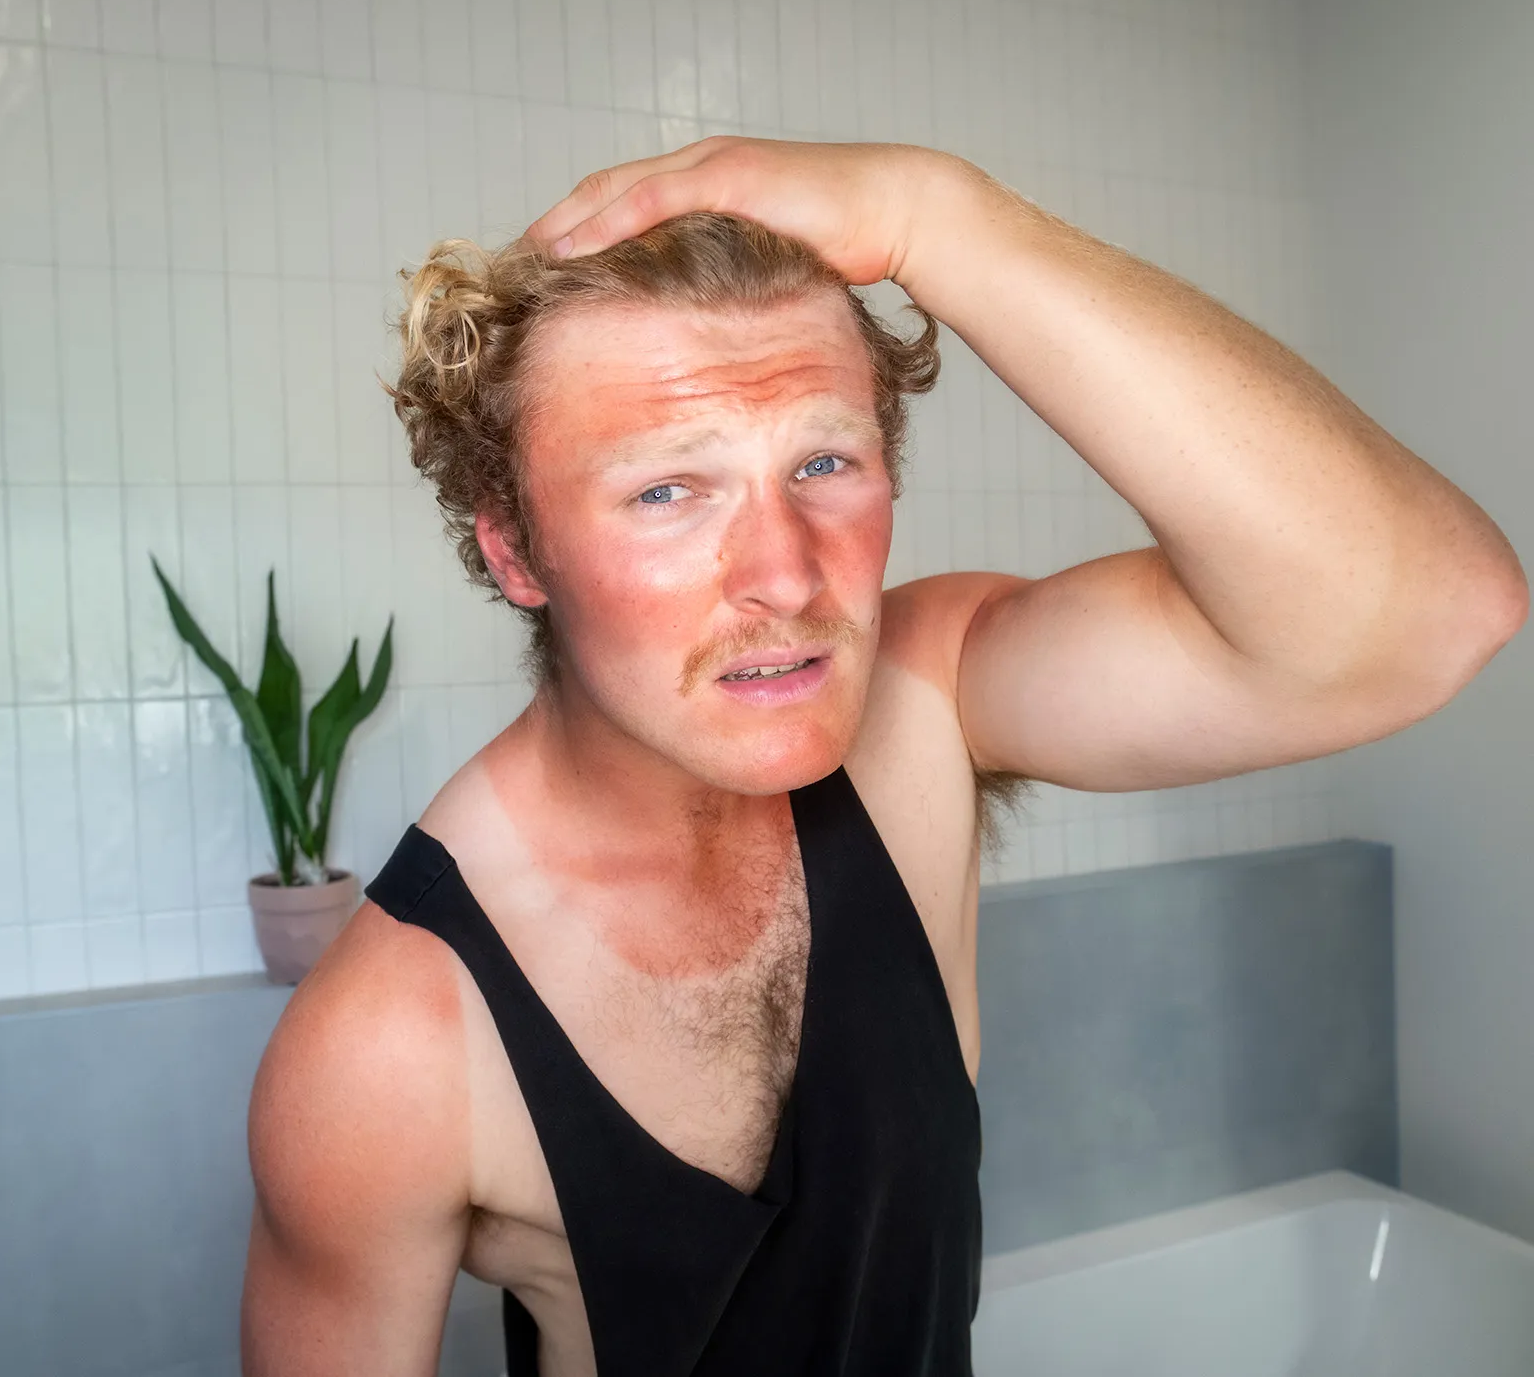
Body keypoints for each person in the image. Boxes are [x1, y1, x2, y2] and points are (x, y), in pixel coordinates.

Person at [237, 139, 1526, 1377]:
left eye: (825, 461)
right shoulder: (389, 1045)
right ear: (516, 551)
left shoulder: (922, 708)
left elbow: (1424, 619)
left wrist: (937, 214)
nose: (788, 574)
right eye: (667, 492)